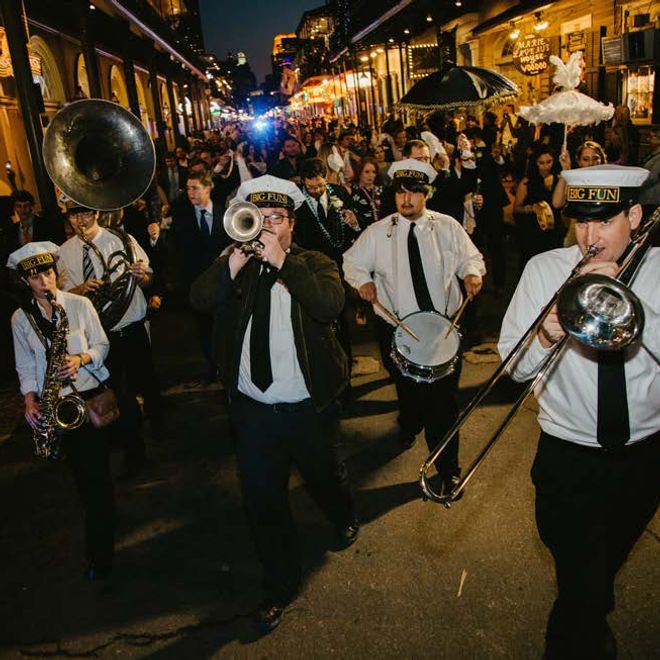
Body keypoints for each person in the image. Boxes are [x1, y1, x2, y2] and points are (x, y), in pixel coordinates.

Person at [498, 164, 659, 659]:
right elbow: (513, 366)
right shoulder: (545, 269)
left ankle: (589, 613)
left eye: (604, 220)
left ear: (633, 215)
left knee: (603, 566)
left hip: (645, 456)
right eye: (581, 221)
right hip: (568, 457)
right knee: (580, 581)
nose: (589, 236)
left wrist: (623, 303)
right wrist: (546, 332)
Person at [190, 175, 358, 634]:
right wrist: (233, 260)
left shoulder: (314, 262)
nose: (266, 227)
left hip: (307, 407)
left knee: (325, 476)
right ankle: (279, 585)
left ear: (292, 224)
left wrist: (283, 262)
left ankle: (342, 514)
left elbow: (328, 305)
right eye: (258, 218)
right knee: (263, 502)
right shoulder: (235, 262)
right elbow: (199, 299)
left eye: (276, 219)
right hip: (254, 412)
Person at [343, 159, 485, 494]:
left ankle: (448, 468)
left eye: (414, 193)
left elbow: (471, 257)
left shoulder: (448, 226)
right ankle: (409, 422)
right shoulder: (377, 233)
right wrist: (363, 282)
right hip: (396, 330)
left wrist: (471, 273)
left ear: (426, 195)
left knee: (444, 405)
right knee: (408, 394)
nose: (406, 200)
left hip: (443, 331)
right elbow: (352, 262)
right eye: (400, 193)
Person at [8, 242, 116, 581]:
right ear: (25, 281)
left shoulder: (79, 304)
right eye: (36, 276)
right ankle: (100, 533)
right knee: (83, 483)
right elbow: (25, 364)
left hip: (88, 399)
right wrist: (29, 399)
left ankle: (101, 554)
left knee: (97, 481)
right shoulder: (21, 319)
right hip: (58, 408)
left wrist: (81, 359)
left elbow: (103, 345)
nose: (45, 280)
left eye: (49, 272)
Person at [57, 203, 159, 474]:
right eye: (75, 214)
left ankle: (159, 431)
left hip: (131, 327)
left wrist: (142, 277)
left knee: (147, 383)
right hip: (101, 337)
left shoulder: (121, 239)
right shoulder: (64, 252)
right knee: (116, 395)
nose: (81, 219)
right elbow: (62, 299)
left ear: (97, 214)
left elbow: (149, 278)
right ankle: (132, 448)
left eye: (87, 213)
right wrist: (81, 290)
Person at [170, 171, 231, 382]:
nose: (190, 193)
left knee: (225, 326)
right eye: (187, 188)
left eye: (195, 188)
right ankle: (213, 367)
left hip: (224, 283)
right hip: (197, 286)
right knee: (204, 329)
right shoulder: (182, 218)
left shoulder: (226, 216)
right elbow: (174, 250)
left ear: (208, 188)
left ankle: (230, 366)